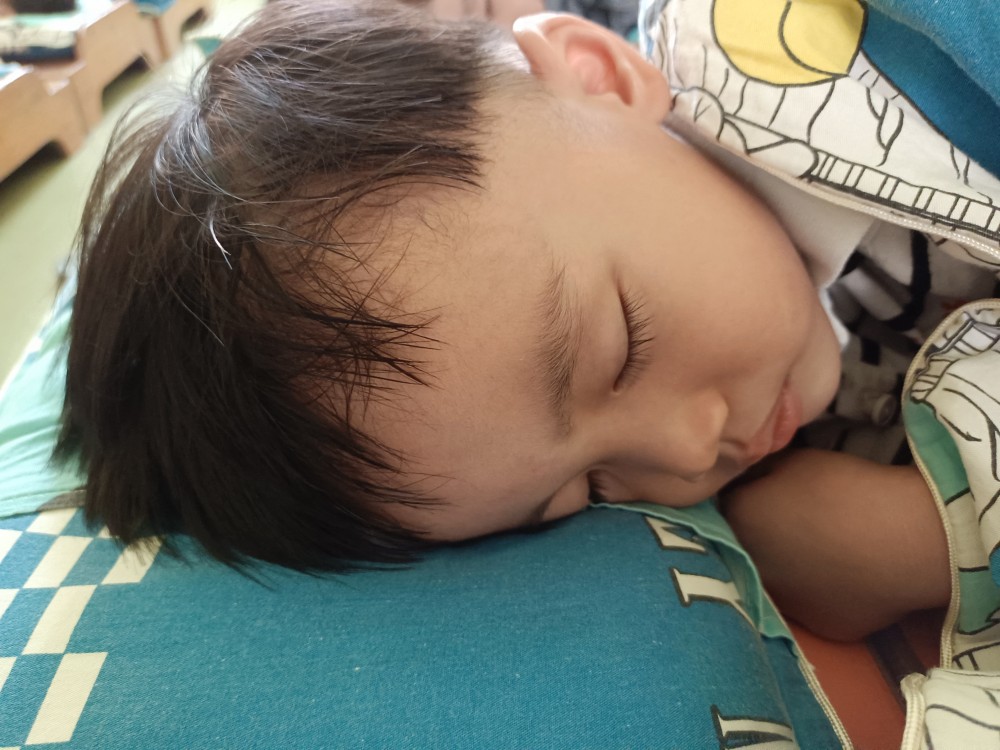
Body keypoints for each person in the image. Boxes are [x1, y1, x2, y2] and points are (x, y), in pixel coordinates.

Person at [58, 0, 999, 642]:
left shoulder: (871, 54)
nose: (685, 455)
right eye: (589, 488)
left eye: (624, 346)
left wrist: (930, 547)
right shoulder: (775, 380)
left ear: (601, 76)